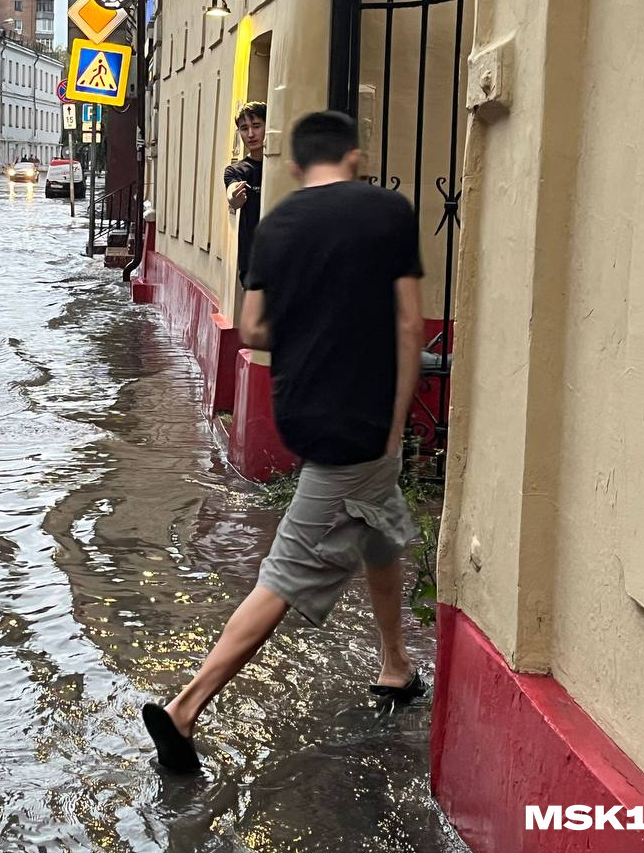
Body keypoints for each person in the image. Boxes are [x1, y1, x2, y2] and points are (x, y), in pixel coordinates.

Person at [142, 111, 426, 774]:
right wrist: (395, 415)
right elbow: (411, 324)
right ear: (353, 155)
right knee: (288, 568)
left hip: (303, 411)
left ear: (296, 165)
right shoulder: (389, 213)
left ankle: (394, 664)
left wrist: (310, 328)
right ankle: (185, 708)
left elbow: (253, 328)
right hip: (362, 423)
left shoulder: (275, 224)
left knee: (379, 526)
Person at [223, 102, 267, 288]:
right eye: (244, 128)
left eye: (256, 126)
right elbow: (232, 190)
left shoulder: (282, 165)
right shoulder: (237, 170)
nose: (250, 134)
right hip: (253, 262)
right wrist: (234, 198)